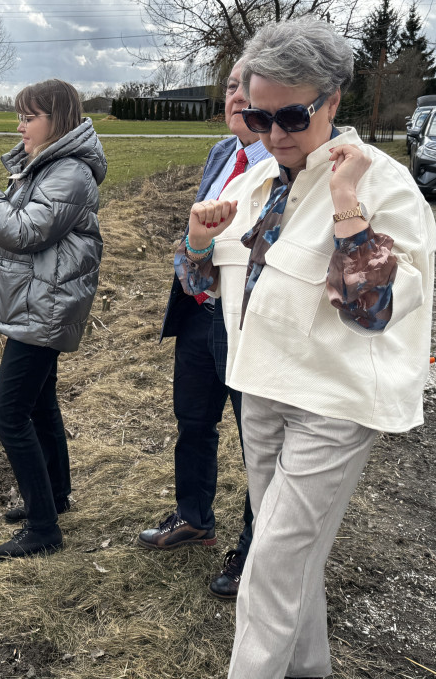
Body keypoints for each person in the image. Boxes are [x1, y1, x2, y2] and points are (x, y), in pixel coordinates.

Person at [176, 17, 436, 678]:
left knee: (271, 564)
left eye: (291, 116)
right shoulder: (256, 180)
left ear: (332, 100)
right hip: (261, 389)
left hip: (332, 403)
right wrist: (199, 242)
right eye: (258, 118)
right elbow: (200, 284)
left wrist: (347, 203)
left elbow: (372, 308)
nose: (274, 135)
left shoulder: (382, 184)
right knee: (293, 559)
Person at [0, 79, 106, 559]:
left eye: (28, 117)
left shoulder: (69, 173)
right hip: (39, 302)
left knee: (9, 414)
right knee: (39, 405)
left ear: (57, 119)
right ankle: (54, 497)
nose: (19, 126)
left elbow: (23, 231)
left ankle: (43, 529)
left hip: (45, 307)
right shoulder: (42, 168)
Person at [139, 58, 271, 600]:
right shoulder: (222, 152)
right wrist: (191, 257)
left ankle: (256, 550)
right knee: (193, 421)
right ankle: (194, 518)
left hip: (250, 320)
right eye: (232, 86)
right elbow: (199, 232)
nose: (237, 96)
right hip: (201, 309)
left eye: (249, 87)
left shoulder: (285, 163)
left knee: (259, 441)